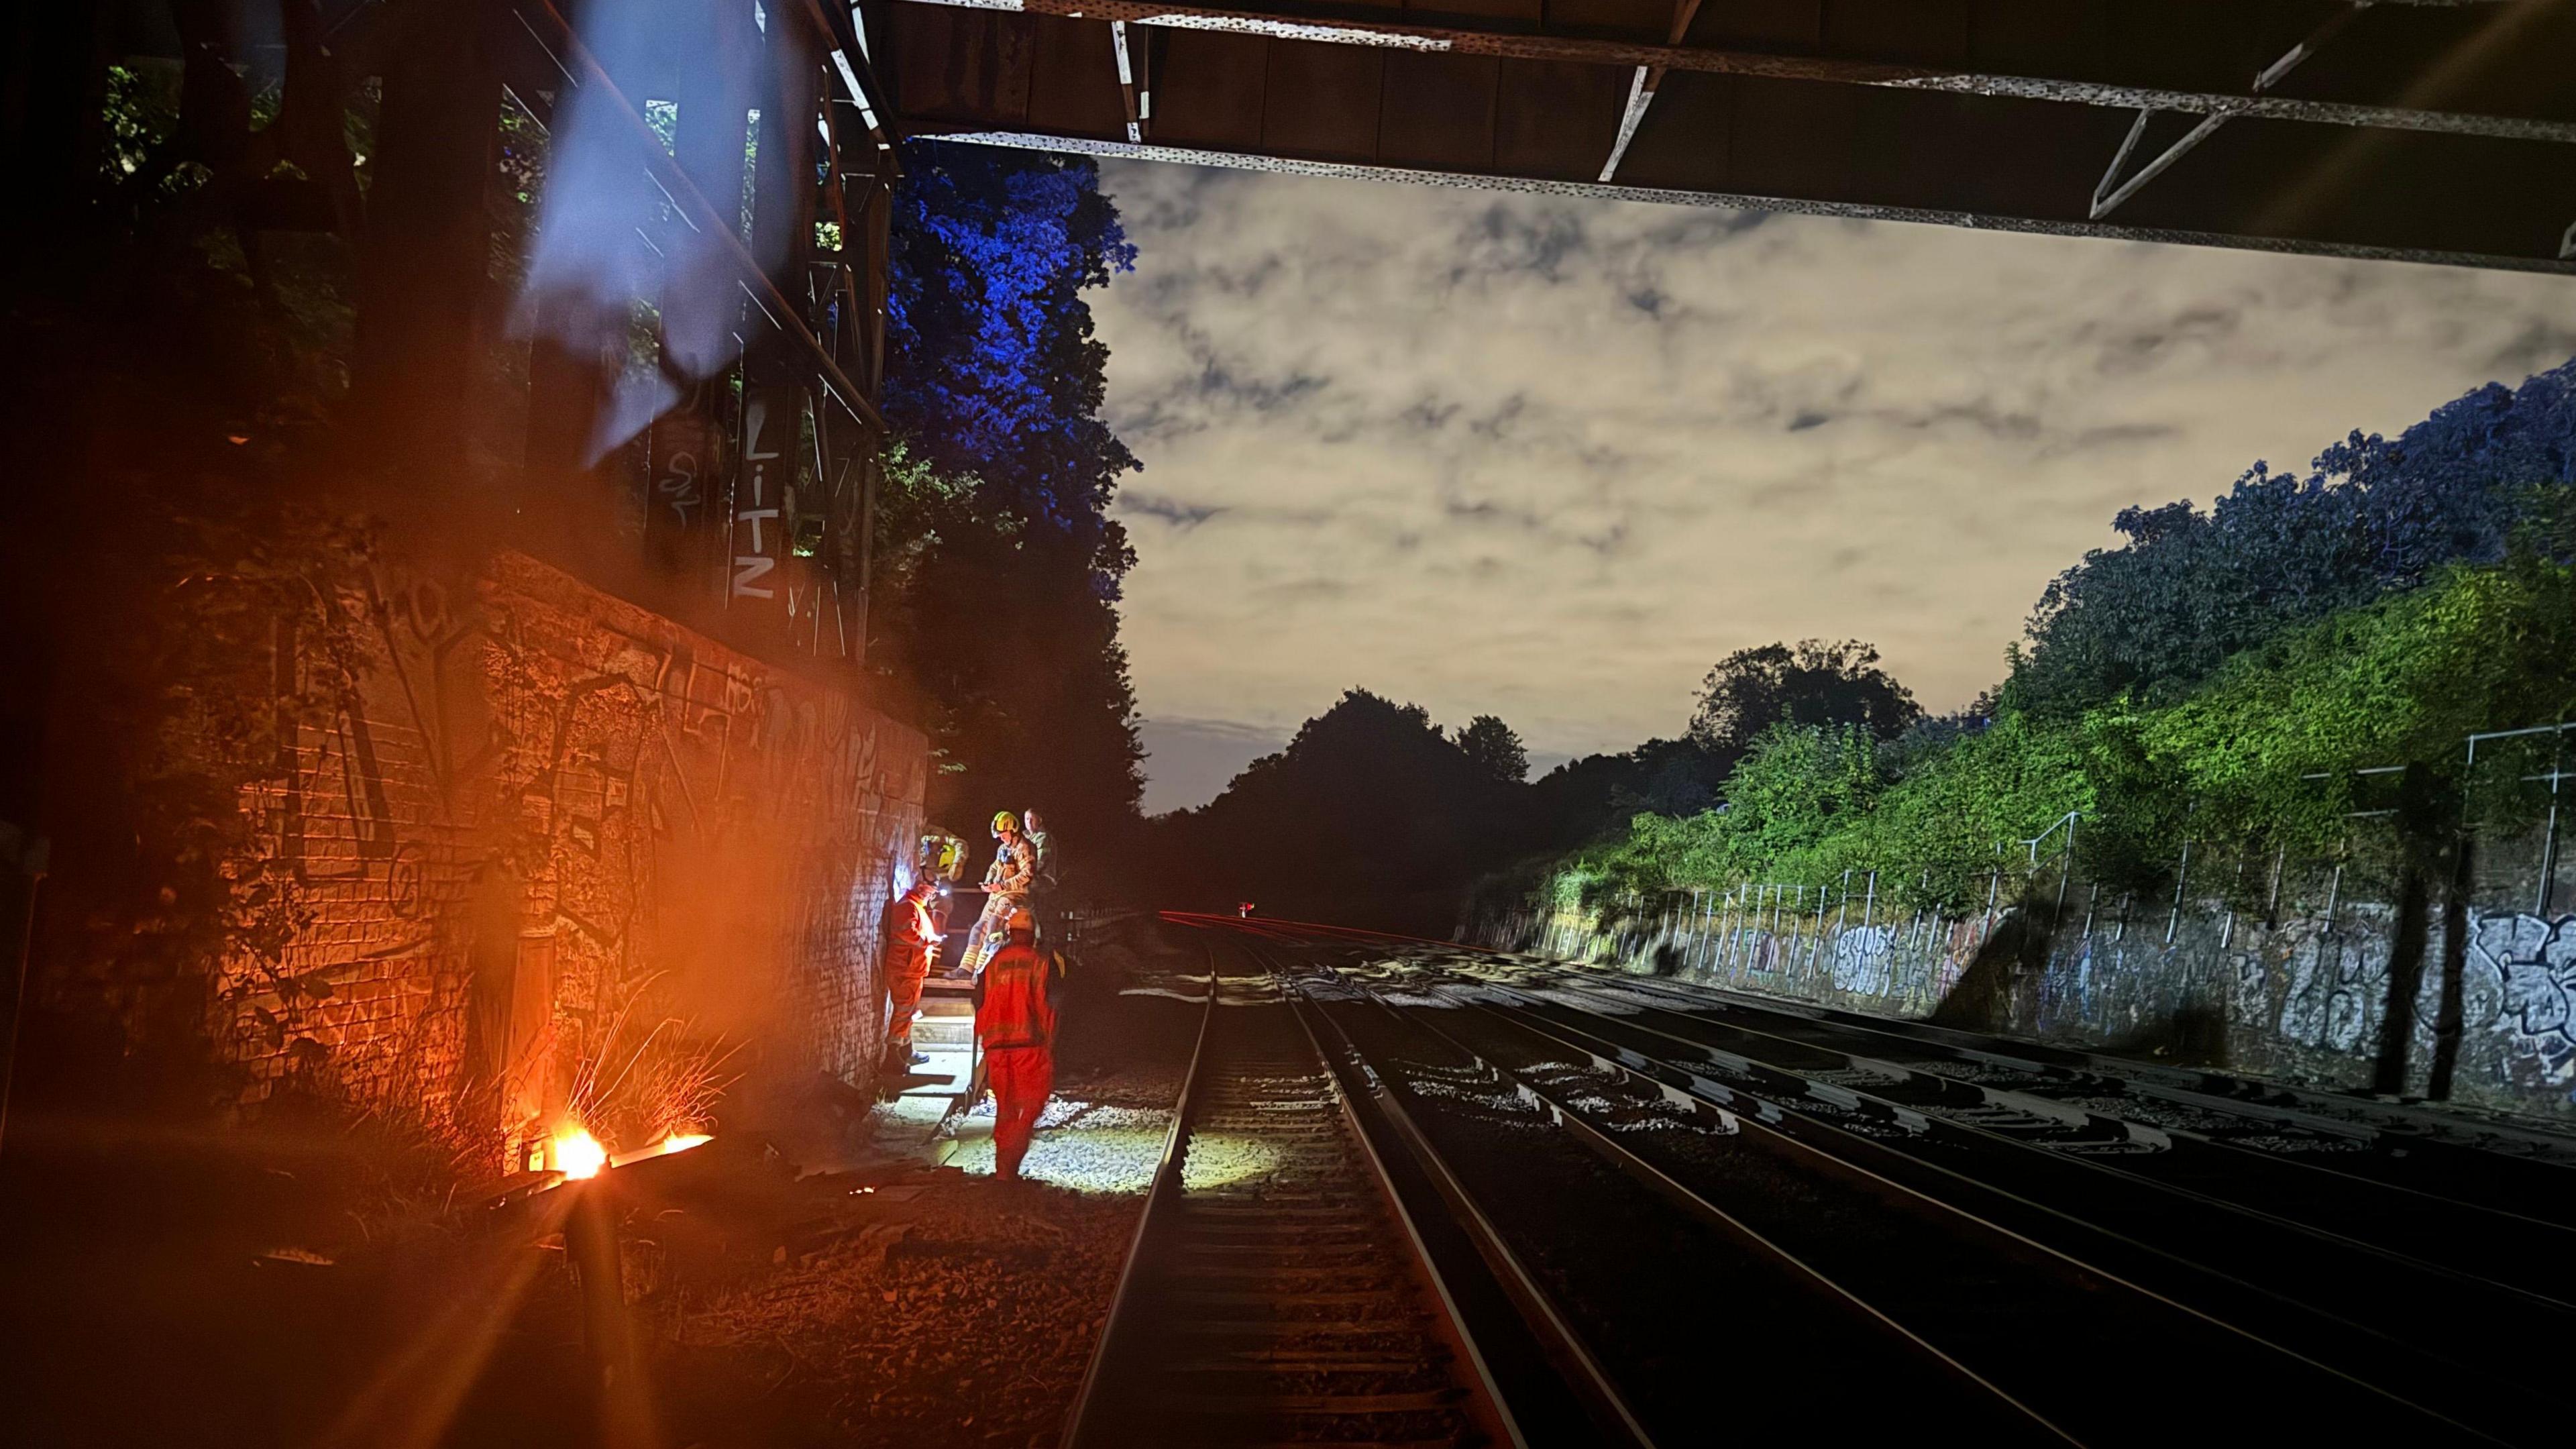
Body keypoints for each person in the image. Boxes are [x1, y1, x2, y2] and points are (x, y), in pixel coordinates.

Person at [975, 906, 1057, 1182]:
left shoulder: (994, 963)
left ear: (1009, 933)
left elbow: (979, 1001)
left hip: (997, 1048)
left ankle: (1004, 1172)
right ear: (1033, 935)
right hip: (1029, 1046)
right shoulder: (1041, 962)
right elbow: (1052, 1004)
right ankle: (1012, 1158)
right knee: (1031, 1104)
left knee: (1005, 1107)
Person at [878, 871, 947, 1075]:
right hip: (904, 969)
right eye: (930, 892)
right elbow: (906, 932)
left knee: (910, 1011)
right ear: (920, 887)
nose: (931, 896)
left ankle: (907, 1050)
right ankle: (892, 1056)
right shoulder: (907, 907)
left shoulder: (916, 907)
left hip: (912, 969)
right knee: (904, 1011)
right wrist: (929, 941)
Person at [959, 810, 1032, 975]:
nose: (1001, 838)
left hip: (1014, 896)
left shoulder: (1025, 848)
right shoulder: (1002, 849)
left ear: (1013, 830)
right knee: (978, 928)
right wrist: (989, 882)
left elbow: (1027, 874)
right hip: (996, 895)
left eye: (1003, 834)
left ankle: (982, 970)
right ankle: (966, 968)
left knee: (994, 927)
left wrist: (1002, 885)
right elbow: (994, 867)